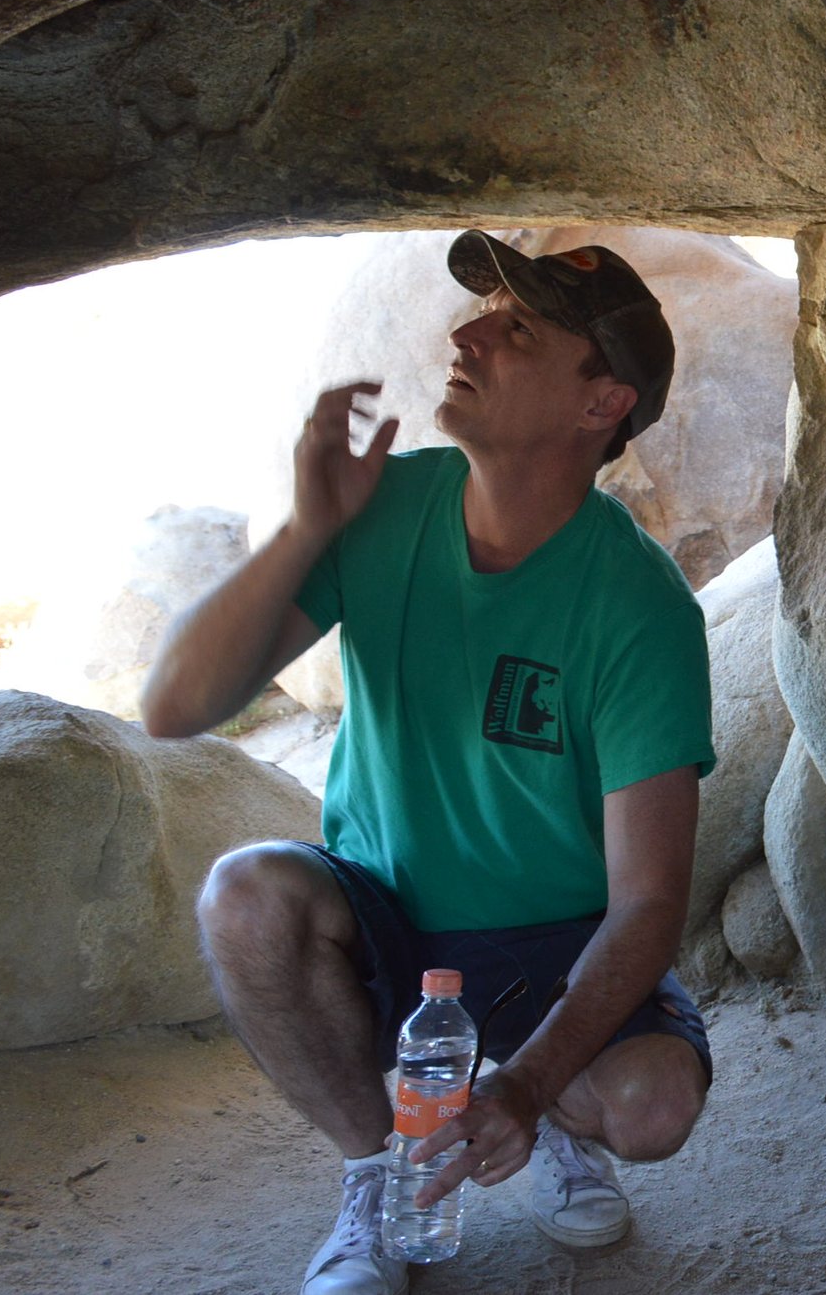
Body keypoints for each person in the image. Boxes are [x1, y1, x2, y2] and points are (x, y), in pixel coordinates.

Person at [142, 232, 715, 1294]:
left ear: (601, 404)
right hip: (385, 911)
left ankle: (553, 1123)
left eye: (518, 330)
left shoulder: (639, 606)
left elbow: (647, 902)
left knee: (652, 1106)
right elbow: (175, 706)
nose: (467, 335)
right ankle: (380, 1173)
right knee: (244, 899)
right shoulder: (386, 509)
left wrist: (526, 1088)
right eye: (484, 313)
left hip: (552, 940)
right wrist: (308, 527)